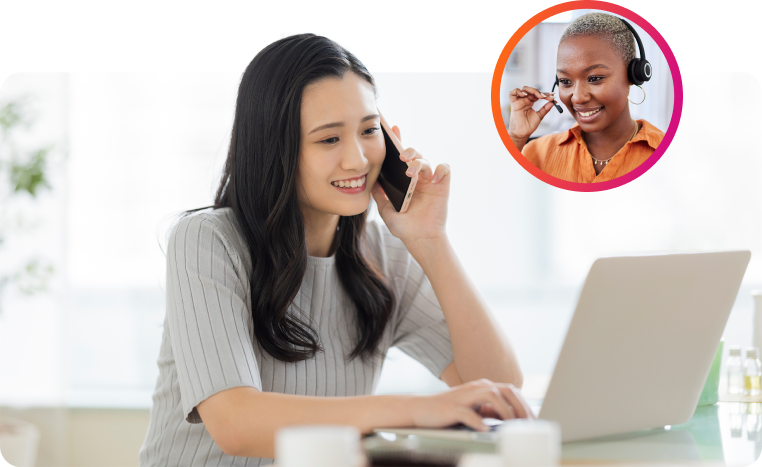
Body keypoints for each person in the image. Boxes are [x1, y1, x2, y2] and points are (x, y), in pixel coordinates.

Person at [138, 32, 530, 467]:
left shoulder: (383, 256)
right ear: (276, 148)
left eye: (367, 130)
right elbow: (236, 422)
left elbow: (498, 390)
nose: (358, 159)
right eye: (329, 140)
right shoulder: (207, 241)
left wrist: (430, 241)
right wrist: (417, 410)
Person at [507, 13, 665, 183]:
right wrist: (516, 138)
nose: (578, 98)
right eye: (565, 81)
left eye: (594, 78)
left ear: (633, 75)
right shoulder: (536, 153)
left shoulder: (669, 154)